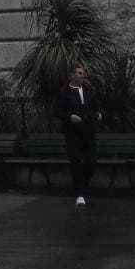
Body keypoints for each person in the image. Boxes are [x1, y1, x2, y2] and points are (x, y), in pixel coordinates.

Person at [53, 63, 103, 206]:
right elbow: (56, 111)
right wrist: (69, 117)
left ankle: (84, 187)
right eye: (79, 73)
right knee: (76, 162)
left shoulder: (88, 90)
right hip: (73, 134)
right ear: (71, 75)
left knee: (91, 162)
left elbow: (95, 105)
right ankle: (80, 193)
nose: (82, 75)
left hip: (88, 132)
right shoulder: (63, 92)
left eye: (83, 73)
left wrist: (98, 113)